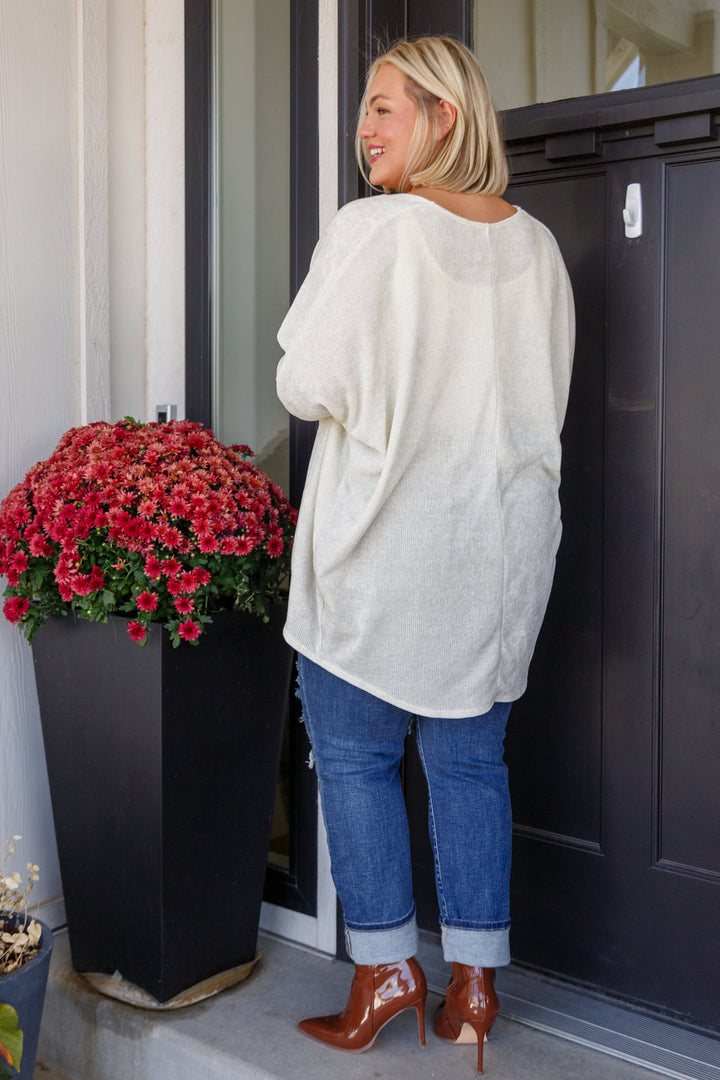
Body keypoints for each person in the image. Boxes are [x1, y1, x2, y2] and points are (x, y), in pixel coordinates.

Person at [276, 36, 574, 1075]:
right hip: (499, 557)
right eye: (366, 109)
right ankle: (476, 988)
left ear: (446, 116)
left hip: (385, 549)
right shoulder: (538, 249)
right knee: (470, 764)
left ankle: (385, 972)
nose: (364, 128)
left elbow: (304, 385)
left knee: (355, 759)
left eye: (383, 106)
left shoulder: (374, 230)